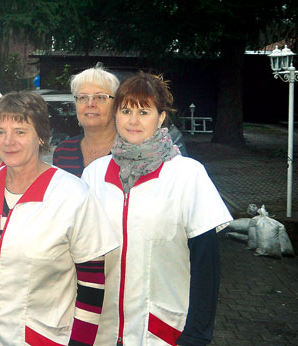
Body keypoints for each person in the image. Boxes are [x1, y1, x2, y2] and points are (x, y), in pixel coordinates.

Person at [82, 72, 231, 346]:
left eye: (144, 111)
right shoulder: (94, 174)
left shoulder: (187, 175)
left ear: (161, 118)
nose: (133, 120)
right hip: (102, 330)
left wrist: (198, 333)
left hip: (163, 331)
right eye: (126, 110)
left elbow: (206, 263)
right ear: (116, 115)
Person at [0, 91, 117, 345]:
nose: (9, 141)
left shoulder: (73, 195)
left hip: (41, 338)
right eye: (0, 132)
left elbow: (92, 284)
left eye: (20, 131)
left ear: (41, 136)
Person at [52, 66, 120, 177]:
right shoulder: (63, 152)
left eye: (100, 97)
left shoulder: (131, 152)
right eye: (83, 97)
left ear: (116, 105)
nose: (90, 104)